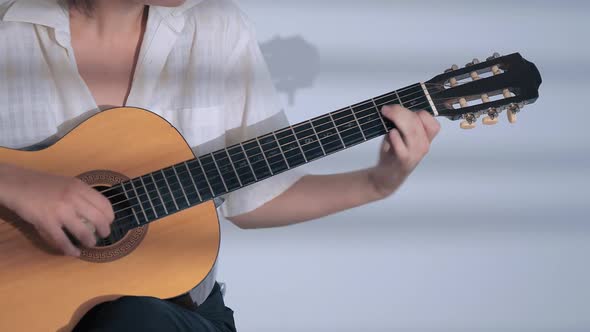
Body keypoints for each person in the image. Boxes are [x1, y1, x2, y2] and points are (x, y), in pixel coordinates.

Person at [0, 0, 440, 331]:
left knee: (134, 321)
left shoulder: (217, 29)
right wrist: (17, 183)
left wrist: (379, 183)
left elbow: (255, 200)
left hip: (177, 312)